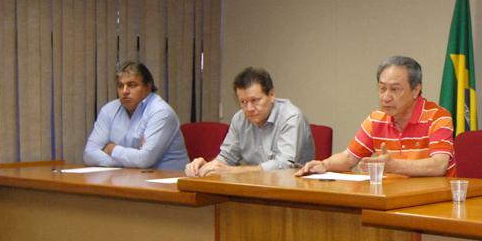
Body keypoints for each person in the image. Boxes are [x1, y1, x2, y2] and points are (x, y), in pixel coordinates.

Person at [296, 56, 455, 178]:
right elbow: (349, 158)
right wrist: (324, 165)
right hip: (393, 198)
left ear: (415, 90)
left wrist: (393, 166)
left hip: (435, 201)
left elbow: (438, 166)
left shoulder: (438, 117)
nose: (386, 97)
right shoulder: (376, 120)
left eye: (394, 89)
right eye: (382, 88)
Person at [185, 67, 314, 176]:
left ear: (271, 95)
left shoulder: (291, 117)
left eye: (255, 100)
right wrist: (207, 166)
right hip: (253, 186)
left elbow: (285, 165)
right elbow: (227, 158)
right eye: (243, 102)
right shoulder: (239, 119)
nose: (249, 108)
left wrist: (232, 171)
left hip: (291, 188)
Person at [84, 61, 189, 170]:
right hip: (128, 176)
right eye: (120, 86)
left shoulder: (161, 112)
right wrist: (129, 161)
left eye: (132, 85)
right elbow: (89, 154)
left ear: (147, 87)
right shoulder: (109, 110)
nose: (124, 91)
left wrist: (112, 149)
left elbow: (145, 160)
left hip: (167, 178)